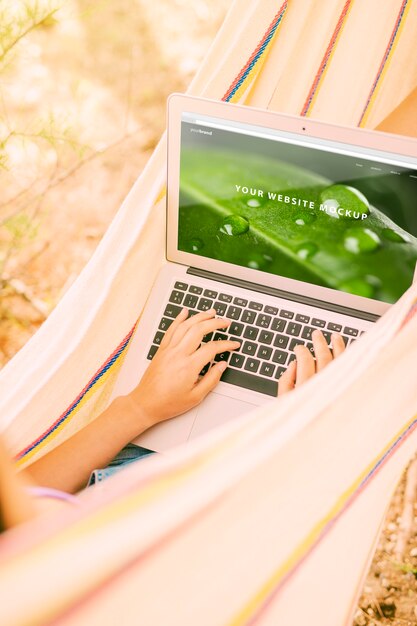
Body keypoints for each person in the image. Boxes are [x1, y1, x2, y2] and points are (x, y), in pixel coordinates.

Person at [0, 308, 345, 531]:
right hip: (245, 489)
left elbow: (23, 499)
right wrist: (295, 442)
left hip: (132, 463)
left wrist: (140, 406)